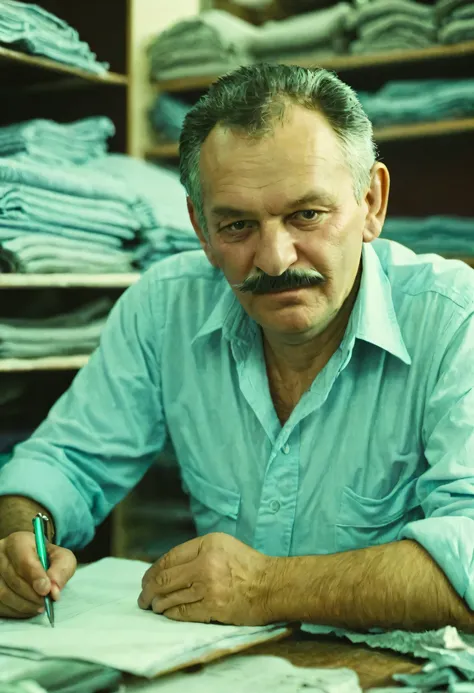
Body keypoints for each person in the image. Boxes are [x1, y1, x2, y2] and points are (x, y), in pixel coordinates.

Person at [0, 63, 473, 632]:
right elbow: (64, 462)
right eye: (237, 227)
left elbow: (468, 557)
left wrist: (268, 587)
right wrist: (18, 535)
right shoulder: (163, 307)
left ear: (371, 202)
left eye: (307, 215)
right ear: (200, 228)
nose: (274, 259)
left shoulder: (455, 320)